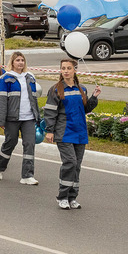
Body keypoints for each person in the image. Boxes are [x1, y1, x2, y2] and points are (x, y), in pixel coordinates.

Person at [43, 59, 101, 210]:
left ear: (75, 70)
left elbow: (86, 108)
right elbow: (50, 111)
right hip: (64, 132)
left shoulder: (82, 89)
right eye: (63, 68)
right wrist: (50, 130)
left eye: (69, 68)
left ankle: (72, 197)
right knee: (70, 163)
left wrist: (94, 97)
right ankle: (62, 196)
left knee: (77, 166)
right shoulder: (55, 90)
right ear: (60, 71)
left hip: (80, 132)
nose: (66, 71)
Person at [0, 51, 41, 185]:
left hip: (29, 118)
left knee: (30, 144)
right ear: (12, 62)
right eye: (18, 60)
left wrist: (37, 116)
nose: (20, 62)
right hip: (12, 118)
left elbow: (34, 99)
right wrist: (1, 119)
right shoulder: (5, 79)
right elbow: (2, 101)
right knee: (10, 143)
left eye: (22, 60)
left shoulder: (30, 77)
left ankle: (27, 175)